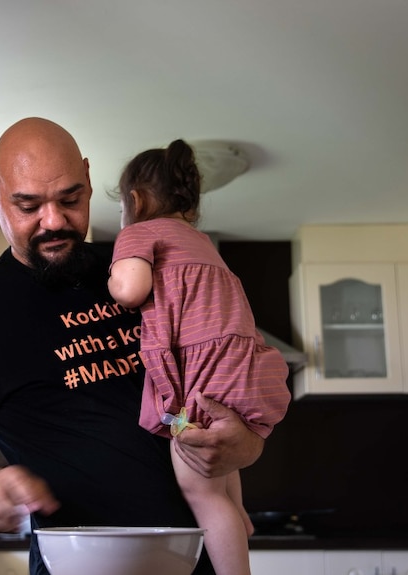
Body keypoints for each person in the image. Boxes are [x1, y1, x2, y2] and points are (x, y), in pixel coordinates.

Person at [0, 118, 267, 575]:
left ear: (89, 181)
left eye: (70, 199)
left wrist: (244, 444)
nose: (54, 221)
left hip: (199, 562)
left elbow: (218, 388)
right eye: (28, 205)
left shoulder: (132, 266)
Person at [107, 139, 291, 574]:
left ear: (135, 200)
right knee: (220, 460)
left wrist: (115, 278)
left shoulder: (138, 233)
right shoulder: (201, 244)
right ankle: (239, 515)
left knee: (199, 491)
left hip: (202, 380)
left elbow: (131, 289)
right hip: (235, 373)